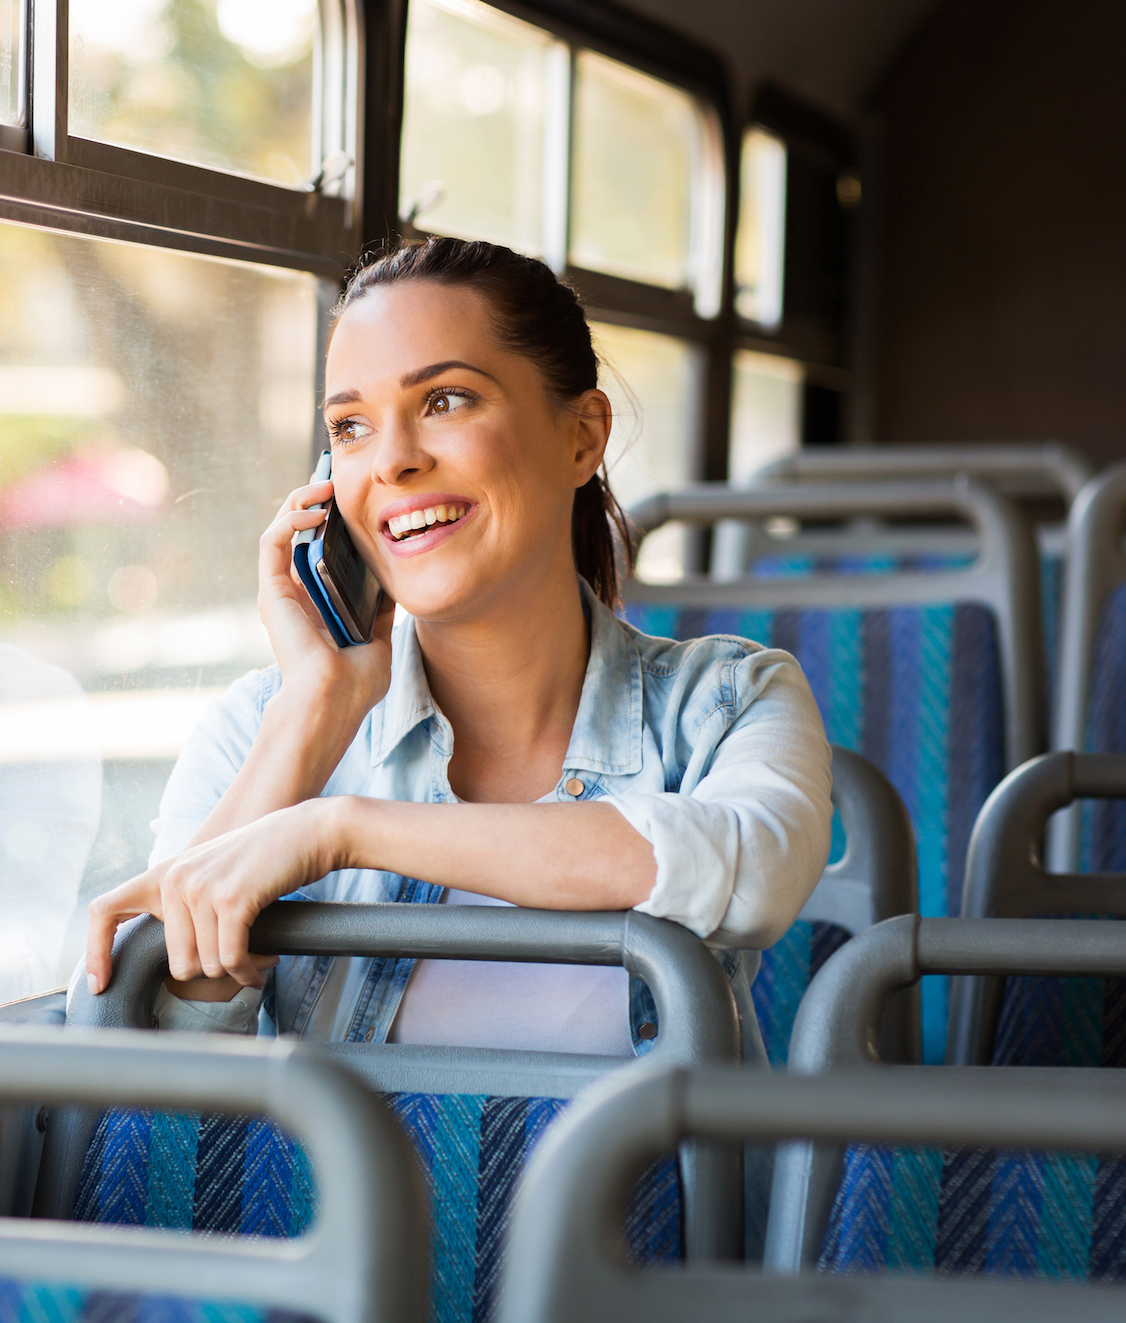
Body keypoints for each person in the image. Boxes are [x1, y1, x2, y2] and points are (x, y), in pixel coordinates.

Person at [83, 237, 832, 1060]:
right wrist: (315, 714)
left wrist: (345, 830)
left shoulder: (727, 700)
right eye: (352, 426)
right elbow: (143, 1072)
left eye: (445, 400)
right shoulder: (266, 725)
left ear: (582, 436)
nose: (395, 461)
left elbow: (751, 869)